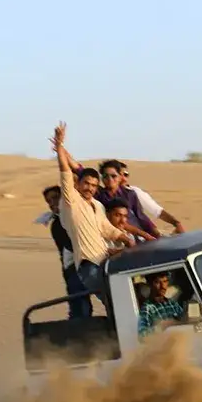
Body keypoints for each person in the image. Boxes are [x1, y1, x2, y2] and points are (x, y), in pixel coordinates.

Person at [49, 122, 131, 305]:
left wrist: (125, 239)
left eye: (94, 185)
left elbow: (107, 229)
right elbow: (65, 170)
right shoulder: (71, 202)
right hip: (88, 266)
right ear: (78, 184)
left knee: (123, 302)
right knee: (116, 304)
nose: (90, 188)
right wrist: (60, 146)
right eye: (86, 184)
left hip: (104, 263)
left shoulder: (97, 205)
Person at [38, 185, 93, 319]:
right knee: (80, 308)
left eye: (55, 198)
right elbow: (67, 250)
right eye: (49, 201)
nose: (52, 203)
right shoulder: (57, 224)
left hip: (91, 262)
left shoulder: (77, 214)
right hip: (74, 268)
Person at [97, 160, 161, 241]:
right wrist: (145, 235)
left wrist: (156, 234)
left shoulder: (130, 194)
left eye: (113, 176)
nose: (110, 179)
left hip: (138, 237)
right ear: (102, 178)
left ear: (120, 177)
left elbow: (141, 216)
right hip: (116, 237)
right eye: (106, 176)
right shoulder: (99, 197)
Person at [116, 160, 186, 234]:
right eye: (120, 175)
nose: (123, 178)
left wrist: (176, 223)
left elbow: (156, 210)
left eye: (126, 175)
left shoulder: (134, 192)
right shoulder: (105, 195)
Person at [137, 271, 185, 338]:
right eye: (157, 282)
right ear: (150, 284)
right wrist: (161, 327)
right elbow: (142, 335)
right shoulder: (148, 308)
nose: (163, 286)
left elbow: (185, 320)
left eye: (165, 281)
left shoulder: (173, 304)